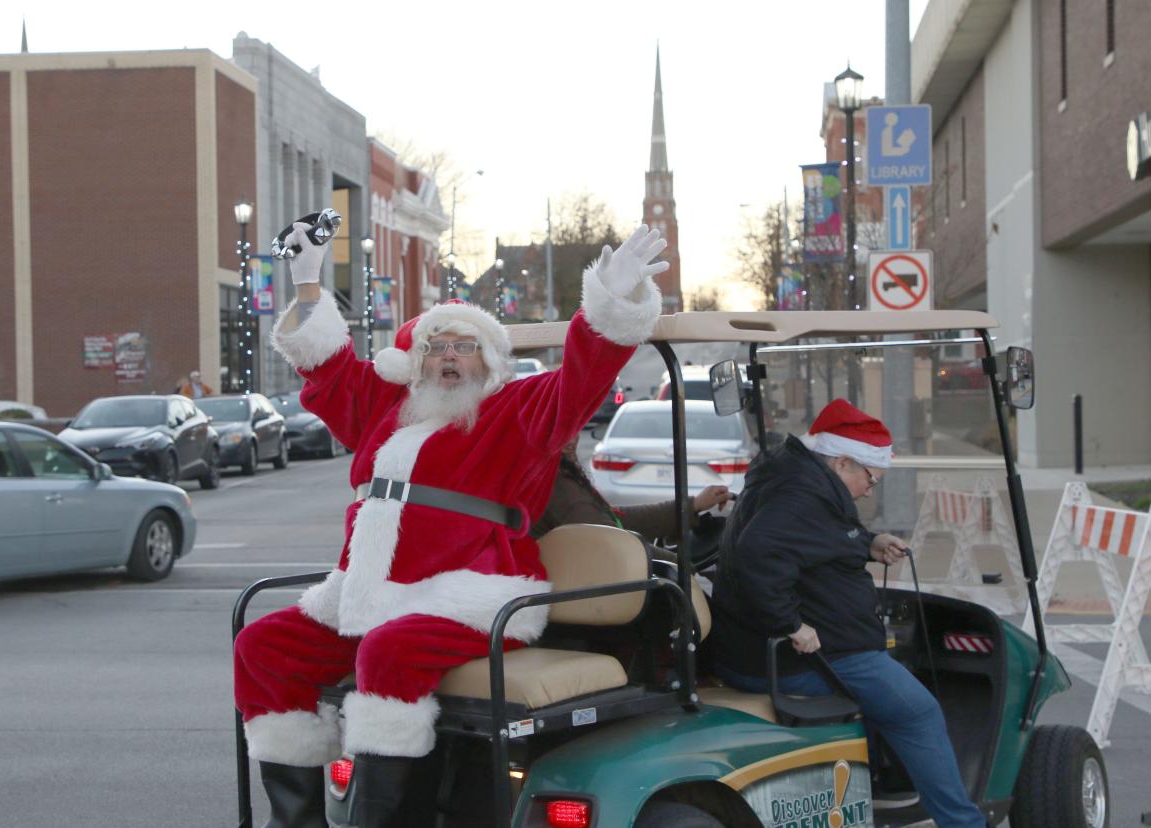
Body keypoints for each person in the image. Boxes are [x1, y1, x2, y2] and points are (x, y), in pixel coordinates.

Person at [233, 222, 668, 828]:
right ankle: (297, 821)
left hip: (472, 596)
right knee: (263, 645)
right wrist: (310, 286)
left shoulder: (517, 410)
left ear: (488, 360)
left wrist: (611, 303)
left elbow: (582, 377)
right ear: (416, 360)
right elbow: (328, 369)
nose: (449, 358)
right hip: (369, 594)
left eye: (464, 347)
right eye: (437, 347)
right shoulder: (390, 411)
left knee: (389, 653)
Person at [709, 398, 989, 828]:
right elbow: (758, 552)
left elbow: (816, 538)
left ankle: (876, 795)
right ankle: (963, 823)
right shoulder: (803, 494)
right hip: (801, 653)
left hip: (777, 644)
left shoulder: (796, 479)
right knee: (919, 711)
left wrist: (868, 542)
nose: (869, 489)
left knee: (891, 691)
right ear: (842, 463)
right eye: (870, 478)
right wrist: (792, 625)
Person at [530, 435, 732, 546]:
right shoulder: (560, 487)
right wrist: (680, 564)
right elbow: (614, 543)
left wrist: (694, 505)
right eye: (563, 430)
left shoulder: (556, 476)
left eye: (575, 427)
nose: (572, 440)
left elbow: (616, 520)